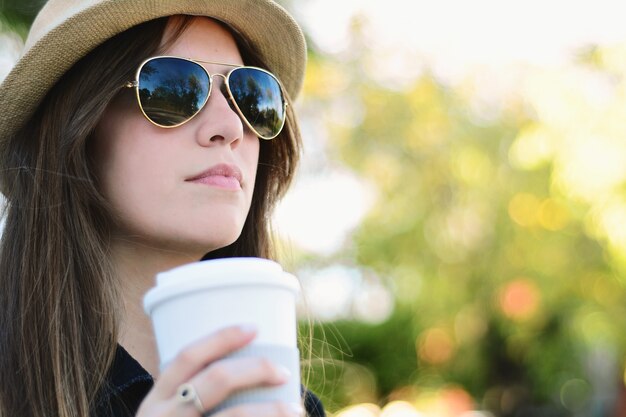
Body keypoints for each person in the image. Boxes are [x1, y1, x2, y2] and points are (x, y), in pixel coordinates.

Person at [0, 1, 325, 416]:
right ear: (76, 130)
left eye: (250, 95)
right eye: (174, 88)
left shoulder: (293, 405)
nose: (230, 128)